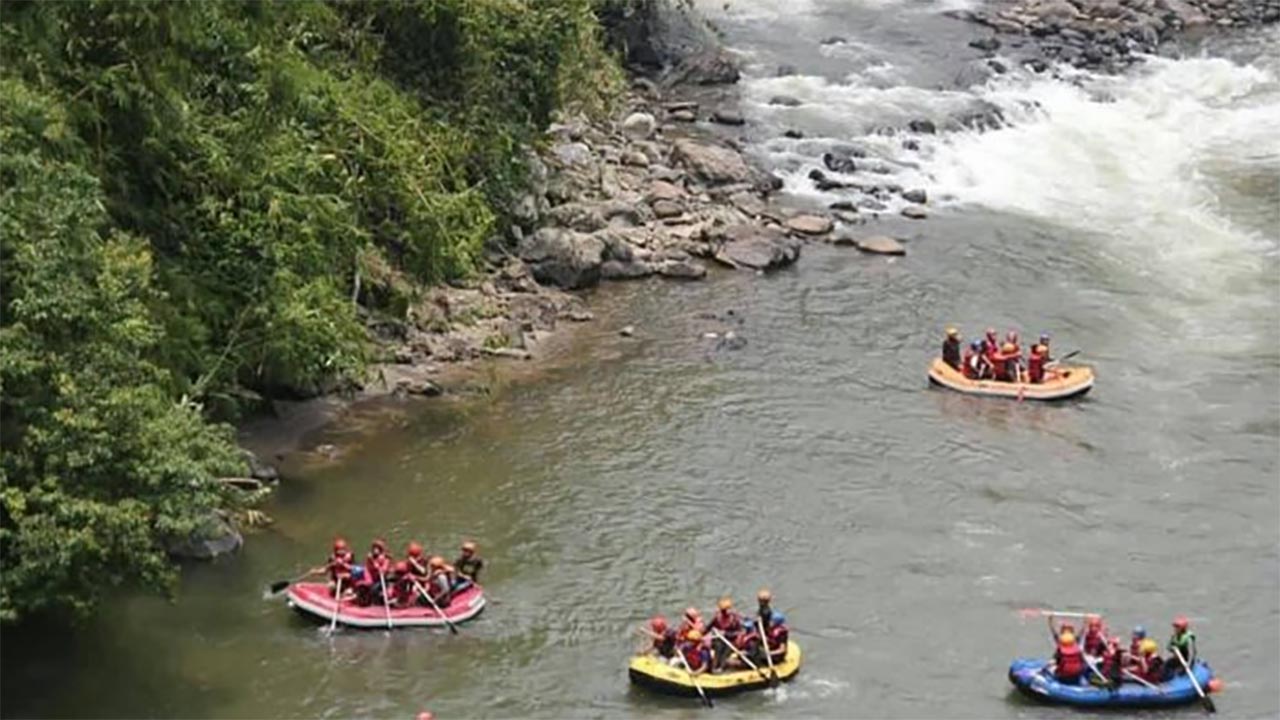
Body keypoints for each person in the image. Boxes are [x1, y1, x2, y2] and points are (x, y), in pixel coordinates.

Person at [709, 597, 744, 670]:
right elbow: (708, 627)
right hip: (719, 640)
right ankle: (714, 666)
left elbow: (739, 632)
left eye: (726, 610)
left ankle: (722, 666)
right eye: (723, 610)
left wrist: (726, 634)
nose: (724, 612)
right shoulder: (717, 618)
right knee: (719, 647)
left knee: (726, 649)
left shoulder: (734, 619)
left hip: (731, 640)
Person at [359, 539, 394, 606]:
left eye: (377, 548)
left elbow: (383, 571)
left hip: (381, 579)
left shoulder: (386, 559)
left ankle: (377, 602)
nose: (375, 550)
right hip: (371, 577)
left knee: (375, 589)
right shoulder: (370, 558)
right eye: (374, 548)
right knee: (366, 586)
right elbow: (367, 568)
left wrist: (374, 563)